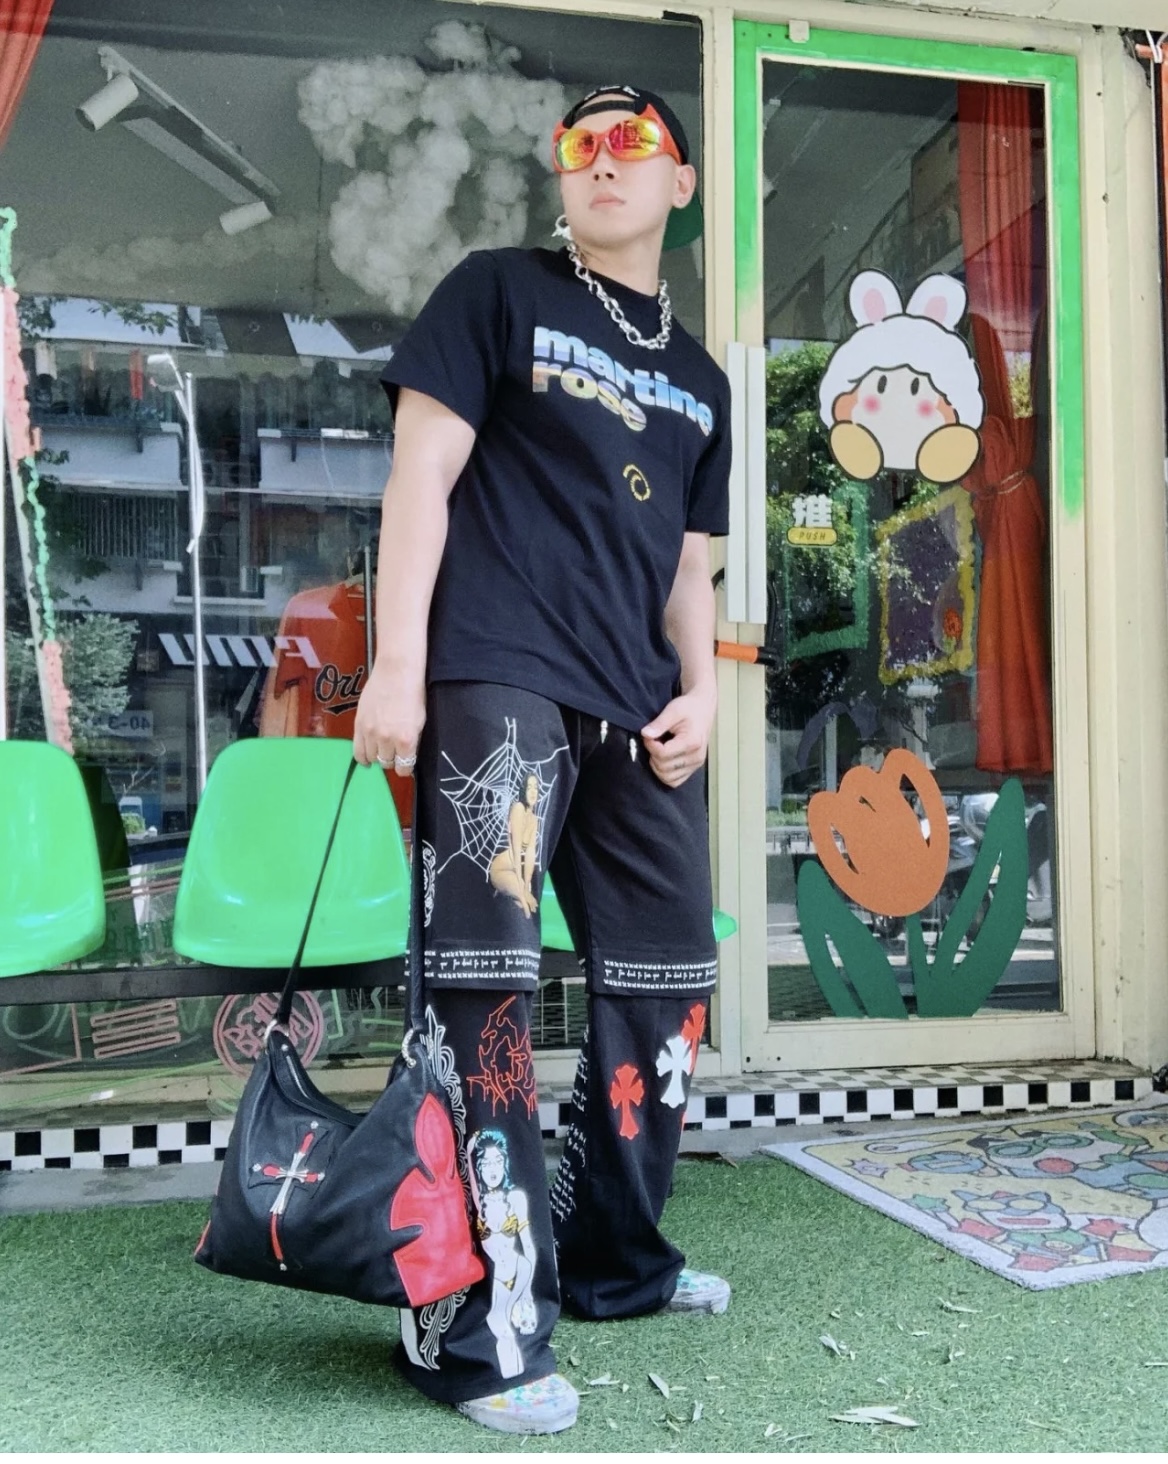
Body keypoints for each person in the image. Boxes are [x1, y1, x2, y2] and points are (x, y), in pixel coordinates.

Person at [354, 83, 732, 1436]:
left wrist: (705, 689)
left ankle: (618, 1262)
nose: (604, 161)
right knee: (485, 991)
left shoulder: (701, 380)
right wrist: (397, 665)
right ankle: (482, 1327)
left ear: (681, 183)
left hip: (636, 704)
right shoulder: (496, 292)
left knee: (668, 978)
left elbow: (687, 566)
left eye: (635, 143)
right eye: (581, 145)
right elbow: (420, 479)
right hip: (496, 676)